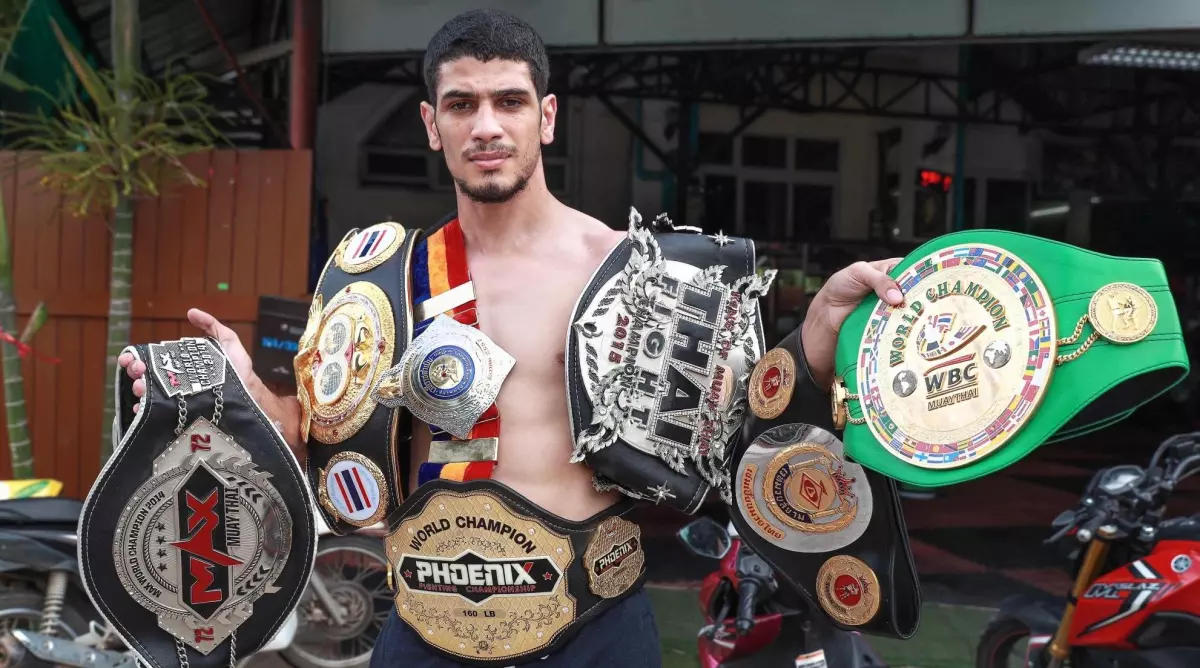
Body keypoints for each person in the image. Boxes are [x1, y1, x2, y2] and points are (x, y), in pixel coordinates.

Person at [116, 9, 904, 667]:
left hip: (593, 629)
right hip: (424, 628)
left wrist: (821, 326)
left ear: (546, 116)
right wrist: (242, 394)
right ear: (432, 124)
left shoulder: (644, 274)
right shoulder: (380, 280)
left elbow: (744, 439)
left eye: (509, 101)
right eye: (461, 105)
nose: (486, 126)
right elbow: (320, 444)